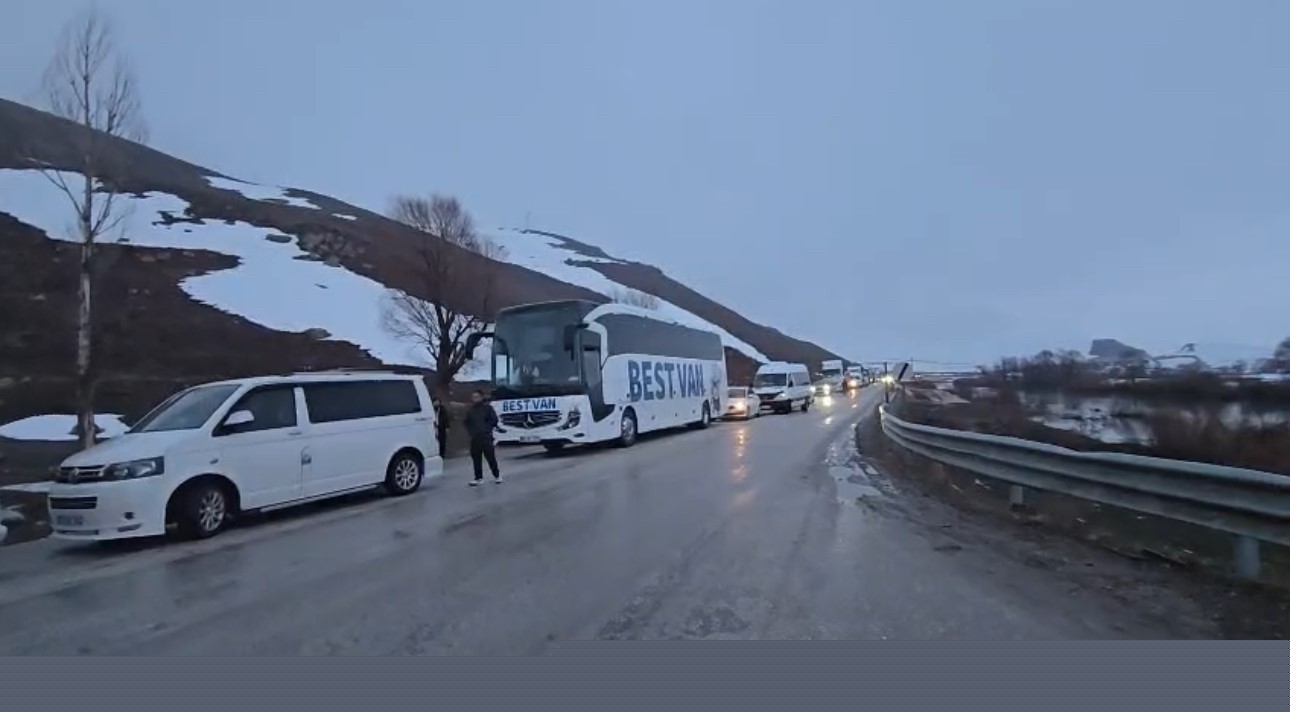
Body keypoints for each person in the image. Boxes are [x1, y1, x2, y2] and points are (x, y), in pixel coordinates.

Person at [463, 389, 502, 485]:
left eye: (477, 397)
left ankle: (497, 475)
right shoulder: (470, 411)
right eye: (473, 397)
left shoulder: (488, 408)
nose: (475, 399)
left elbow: (494, 420)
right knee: (476, 459)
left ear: (481, 397)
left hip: (486, 437)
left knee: (490, 458)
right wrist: (471, 432)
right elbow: (467, 423)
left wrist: (486, 429)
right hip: (475, 438)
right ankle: (478, 478)